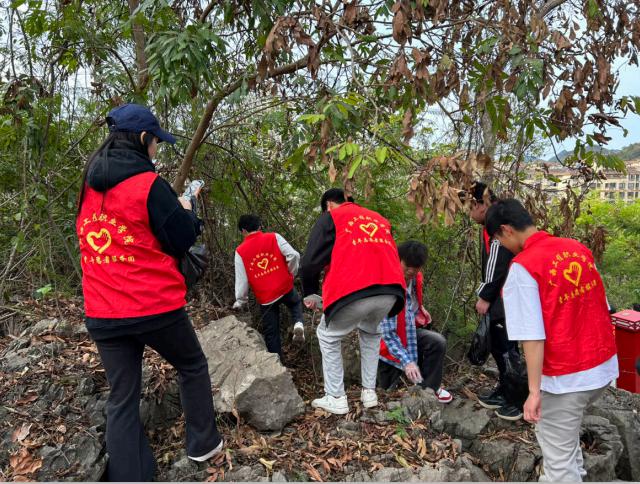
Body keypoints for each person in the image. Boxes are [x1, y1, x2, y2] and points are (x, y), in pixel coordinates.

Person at [76, 104, 223, 481]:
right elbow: (181, 239)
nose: (156, 149)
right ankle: (203, 445)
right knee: (192, 365)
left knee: (122, 396)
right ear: (143, 139)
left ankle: (130, 475)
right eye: (156, 142)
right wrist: (186, 209)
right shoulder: (148, 184)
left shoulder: (88, 186)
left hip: (103, 312)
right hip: (152, 305)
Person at [486, 199, 618, 482]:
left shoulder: (524, 267)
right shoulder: (576, 248)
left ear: (506, 230)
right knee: (563, 439)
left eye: (498, 239)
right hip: (603, 367)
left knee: (558, 466)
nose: (501, 245)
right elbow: (603, 306)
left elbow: (532, 337)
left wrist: (534, 392)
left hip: (567, 377)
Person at [301, 188, 405, 414]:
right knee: (370, 332)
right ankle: (369, 393)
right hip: (391, 291)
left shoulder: (332, 217)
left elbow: (309, 263)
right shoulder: (378, 218)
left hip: (354, 288)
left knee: (327, 335)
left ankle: (335, 397)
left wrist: (310, 293)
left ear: (329, 205)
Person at [468, 181, 523, 420]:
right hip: (505, 295)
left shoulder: (498, 223)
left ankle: (518, 399)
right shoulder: (496, 220)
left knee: (506, 348)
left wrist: (484, 296)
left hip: (505, 297)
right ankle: (506, 389)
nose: (469, 214)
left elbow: (497, 263)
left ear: (481, 204)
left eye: (470, 207)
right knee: (501, 347)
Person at [378, 241, 452, 403]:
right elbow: (387, 334)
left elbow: (411, 302)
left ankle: (429, 389)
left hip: (409, 333)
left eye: (416, 267)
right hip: (387, 343)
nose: (411, 271)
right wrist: (408, 362)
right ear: (398, 260)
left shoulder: (415, 278)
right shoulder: (388, 285)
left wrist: (420, 310)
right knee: (386, 393)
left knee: (437, 342)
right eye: (407, 266)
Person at [233, 214, 305, 359]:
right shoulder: (274, 237)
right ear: (260, 226)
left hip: (265, 297)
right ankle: (298, 323)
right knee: (295, 303)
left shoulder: (240, 251)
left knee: (271, 332)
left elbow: (242, 280)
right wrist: (291, 272)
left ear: (243, 231)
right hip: (284, 287)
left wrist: (240, 300)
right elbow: (294, 255)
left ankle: (276, 365)